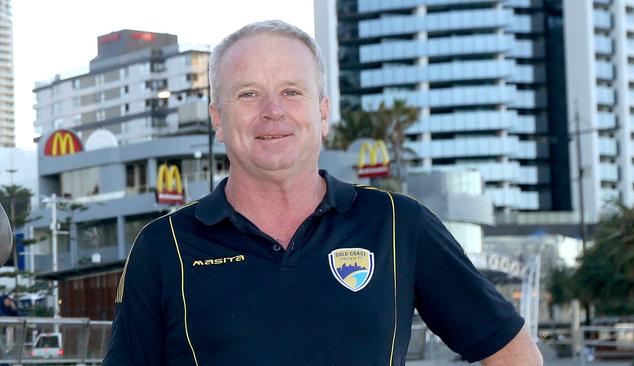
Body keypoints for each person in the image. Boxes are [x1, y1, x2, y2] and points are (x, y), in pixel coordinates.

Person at [103, 20, 542, 365]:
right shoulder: (165, 248)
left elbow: (512, 352)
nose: (272, 111)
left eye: (291, 91)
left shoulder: (396, 225)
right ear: (218, 118)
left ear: (323, 112)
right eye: (248, 93)